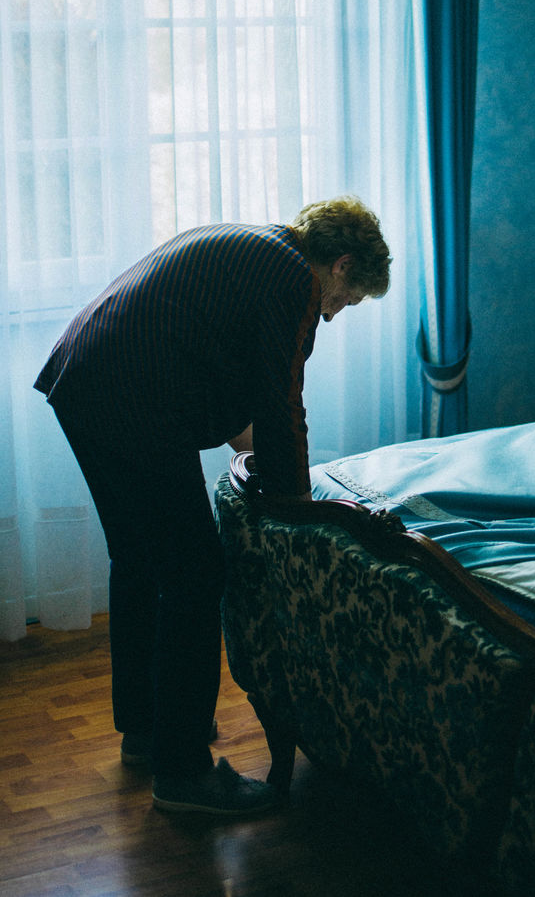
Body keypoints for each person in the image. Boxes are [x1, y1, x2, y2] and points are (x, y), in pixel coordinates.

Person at [34, 195, 391, 817]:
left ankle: (146, 729)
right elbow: (282, 402)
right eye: (346, 299)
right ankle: (183, 775)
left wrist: (264, 462)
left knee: (140, 560)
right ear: (339, 265)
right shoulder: (292, 278)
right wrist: (295, 507)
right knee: (195, 574)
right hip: (131, 398)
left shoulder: (255, 247)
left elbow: (225, 376)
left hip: (85, 379)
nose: (333, 313)